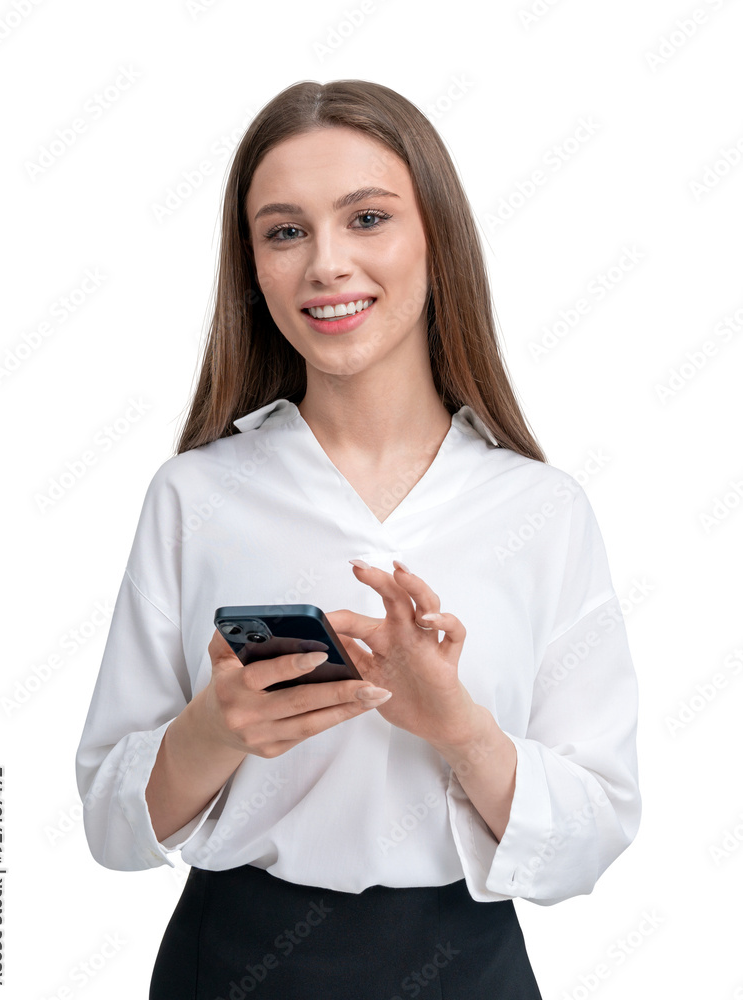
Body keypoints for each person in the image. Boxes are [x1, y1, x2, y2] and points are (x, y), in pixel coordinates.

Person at [75, 79, 641, 1000]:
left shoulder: (541, 510)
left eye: (367, 218)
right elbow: (109, 825)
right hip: (230, 968)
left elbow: (594, 834)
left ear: (436, 239)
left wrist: (455, 725)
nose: (326, 264)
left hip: (468, 974)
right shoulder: (194, 495)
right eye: (285, 232)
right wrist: (215, 729)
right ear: (253, 268)